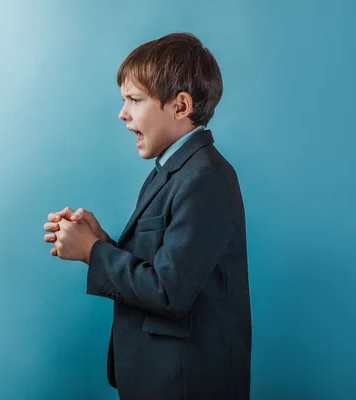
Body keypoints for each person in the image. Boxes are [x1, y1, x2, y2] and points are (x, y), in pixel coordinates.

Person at [43, 32, 252, 399]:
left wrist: (94, 252)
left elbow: (170, 291)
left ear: (180, 106)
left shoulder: (206, 177)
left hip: (185, 385)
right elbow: (161, 265)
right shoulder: (170, 170)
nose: (123, 113)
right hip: (158, 378)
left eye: (134, 100)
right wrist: (100, 240)